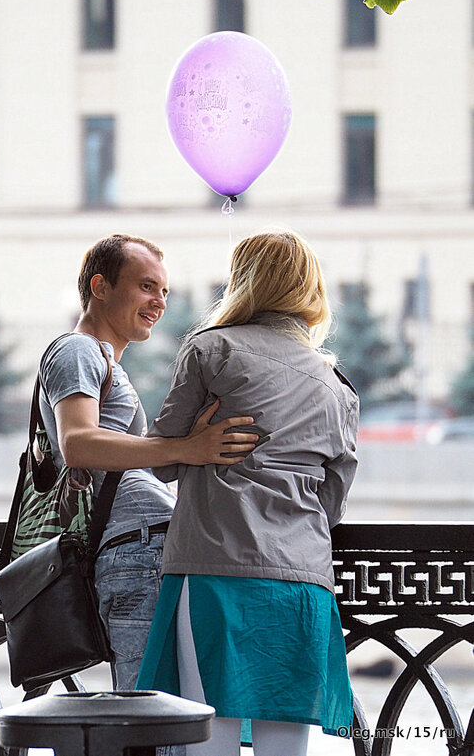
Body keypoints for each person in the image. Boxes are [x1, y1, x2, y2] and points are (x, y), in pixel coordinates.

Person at [136, 229, 359, 756]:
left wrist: (194, 446)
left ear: (244, 282)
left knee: (208, 738)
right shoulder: (337, 386)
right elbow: (333, 501)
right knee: (285, 745)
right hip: (301, 584)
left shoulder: (211, 349)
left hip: (215, 569)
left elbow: (163, 458)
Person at [37, 233, 257, 690]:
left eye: (164, 291)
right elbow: (77, 442)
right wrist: (185, 449)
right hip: (135, 550)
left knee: (164, 710)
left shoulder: (102, 359)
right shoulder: (78, 349)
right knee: (152, 712)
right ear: (100, 287)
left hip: (141, 547)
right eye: (146, 286)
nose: (158, 301)